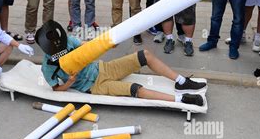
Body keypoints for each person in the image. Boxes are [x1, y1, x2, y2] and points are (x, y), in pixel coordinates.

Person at [36, 20, 206, 106]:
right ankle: (181, 99)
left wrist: (106, 43)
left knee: (144, 55)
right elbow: (56, 89)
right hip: (95, 86)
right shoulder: (47, 66)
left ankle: (181, 82)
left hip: (103, 68)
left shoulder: (67, 41)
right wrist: (70, 82)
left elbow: (86, 46)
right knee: (134, 89)